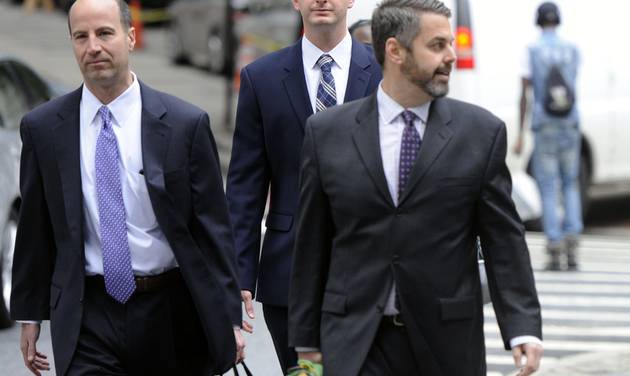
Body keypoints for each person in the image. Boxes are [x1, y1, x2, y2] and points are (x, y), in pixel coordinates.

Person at [288, 0, 543, 375]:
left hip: (446, 342)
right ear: (395, 51)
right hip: (356, 341)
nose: (452, 56)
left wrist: (523, 328)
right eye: (437, 45)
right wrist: (306, 340)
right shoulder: (327, 134)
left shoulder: (480, 134)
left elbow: (503, 239)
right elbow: (312, 242)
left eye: (451, 44)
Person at [10, 0, 244, 375]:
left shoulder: (185, 125)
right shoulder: (44, 129)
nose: (93, 47)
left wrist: (229, 317)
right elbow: (35, 228)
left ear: (131, 37)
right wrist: (29, 314)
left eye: (104, 33)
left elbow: (213, 230)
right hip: (89, 312)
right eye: (81, 37)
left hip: (169, 310)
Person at [225, 0, 382, 372]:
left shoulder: (384, 72)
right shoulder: (261, 78)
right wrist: (236, 279)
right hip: (289, 276)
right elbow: (244, 190)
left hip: (369, 274)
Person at [514, 1, 582, 271]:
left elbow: (525, 93)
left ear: (538, 21)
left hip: (545, 124)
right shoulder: (572, 49)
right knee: (570, 182)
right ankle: (573, 241)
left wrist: (520, 132)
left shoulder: (532, 50)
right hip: (570, 122)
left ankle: (554, 245)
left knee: (549, 185)